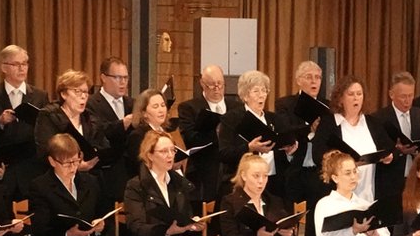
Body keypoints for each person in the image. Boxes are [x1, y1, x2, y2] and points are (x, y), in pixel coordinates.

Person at [312, 76, 397, 236]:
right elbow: (318, 154)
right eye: (351, 94)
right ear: (340, 98)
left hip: (368, 190)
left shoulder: (371, 122)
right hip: (342, 194)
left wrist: (388, 156)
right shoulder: (330, 122)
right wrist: (346, 163)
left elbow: (389, 148)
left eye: (359, 94)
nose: (356, 98)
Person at [274, 61, 330, 236]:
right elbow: (286, 132)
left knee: (319, 224)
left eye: (318, 77)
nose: (314, 81)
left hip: (317, 172)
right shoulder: (285, 104)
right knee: (285, 221)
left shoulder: (327, 107)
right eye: (309, 77)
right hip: (293, 172)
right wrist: (310, 130)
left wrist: (319, 132)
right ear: (298, 80)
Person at [0, 45, 48, 199]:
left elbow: (44, 132)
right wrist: (0, 122)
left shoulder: (40, 96)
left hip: (30, 169)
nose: (22, 68)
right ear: (4, 67)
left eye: (25, 64)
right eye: (16, 64)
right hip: (0, 169)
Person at [217, 70, 298, 200]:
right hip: (242, 185)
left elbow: (282, 151)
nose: (261, 95)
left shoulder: (275, 119)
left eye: (264, 90)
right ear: (245, 96)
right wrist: (249, 148)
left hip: (273, 184)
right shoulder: (231, 118)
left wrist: (290, 151)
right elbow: (224, 153)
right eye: (256, 91)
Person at [178, 64, 242, 206]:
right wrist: (217, 133)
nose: (217, 88)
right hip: (203, 177)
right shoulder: (189, 108)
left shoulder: (237, 107)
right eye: (212, 85)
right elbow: (191, 139)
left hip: (232, 175)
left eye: (220, 84)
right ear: (202, 83)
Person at [86, 56, 134, 210]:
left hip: (130, 175)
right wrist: (123, 124)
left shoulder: (132, 103)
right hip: (106, 176)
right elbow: (98, 131)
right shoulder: (90, 103)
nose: (123, 82)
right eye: (118, 77)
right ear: (103, 78)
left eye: (125, 78)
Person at [33, 70, 104, 172]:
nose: (83, 96)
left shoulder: (90, 117)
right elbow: (45, 152)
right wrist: (74, 166)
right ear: (64, 94)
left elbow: (102, 145)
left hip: (89, 178)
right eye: (77, 91)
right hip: (58, 177)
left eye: (85, 92)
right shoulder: (49, 116)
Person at [124, 89, 185, 181]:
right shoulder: (138, 136)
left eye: (163, 105)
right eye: (155, 107)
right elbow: (141, 168)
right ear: (144, 113)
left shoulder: (164, 133)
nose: (161, 110)